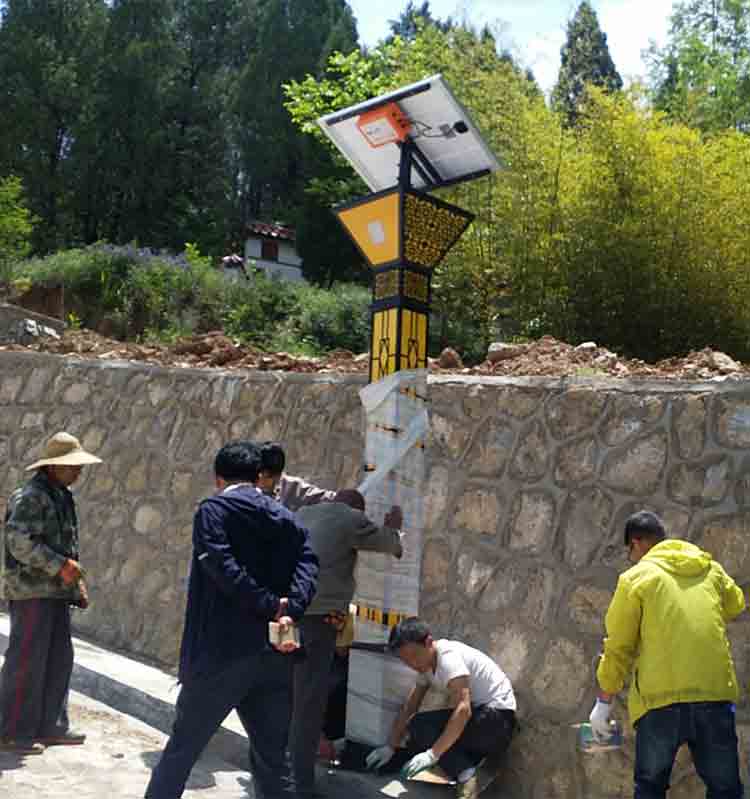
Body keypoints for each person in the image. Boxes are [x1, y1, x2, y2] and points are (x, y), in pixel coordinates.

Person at [144, 441, 319, 799]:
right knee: (273, 761)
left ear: (218, 478)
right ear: (259, 477)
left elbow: (220, 565)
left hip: (219, 655)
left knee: (182, 751)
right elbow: (309, 561)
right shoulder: (285, 517)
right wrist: (291, 606)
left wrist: (268, 604)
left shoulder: (214, 510)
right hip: (275, 653)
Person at [588, 510, 745, 799]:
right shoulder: (708, 567)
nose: (632, 559)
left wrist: (604, 700)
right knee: (726, 789)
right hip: (713, 696)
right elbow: (736, 603)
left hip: (660, 704)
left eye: (630, 552)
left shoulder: (636, 578)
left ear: (636, 543)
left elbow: (618, 646)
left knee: (650, 788)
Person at [289, 490, 403, 799]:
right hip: (317, 620)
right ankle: (298, 786)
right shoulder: (350, 518)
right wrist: (393, 527)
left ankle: (277, 774)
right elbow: (390, 545)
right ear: (359, 510)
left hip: (288, 616)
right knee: (309, 706)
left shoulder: (304, 513)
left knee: (289, 694)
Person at [0, 431, 102, 755]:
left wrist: (74, 583)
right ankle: (13, 731)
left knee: (59, 659)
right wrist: (59, 566)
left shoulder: (61, 495)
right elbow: (19, 542)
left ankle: (50, 726)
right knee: (27, 660)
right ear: (53, 467)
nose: (78, 472)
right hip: (31, 592)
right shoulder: (30, 496)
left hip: (55, 592)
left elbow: (67, 546)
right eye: (72, 466)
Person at [368, 617, 516, 799]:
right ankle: (472, 768)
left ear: (429, 642)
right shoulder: (426, 666)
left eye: (414, 656)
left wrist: (432, 755)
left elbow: (463, 710)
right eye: (406, 660)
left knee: (422, 728)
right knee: (417, 728)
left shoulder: (448, 657)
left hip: (496, 723)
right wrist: (390, 746)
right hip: (483, 721)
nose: (413, 664)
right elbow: (410, 706)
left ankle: (469, 776)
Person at [257, 442, 336, 511]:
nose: (257, 478)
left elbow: (328, 498)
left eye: (262, 474)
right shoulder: (248, 485)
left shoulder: (295, 488)